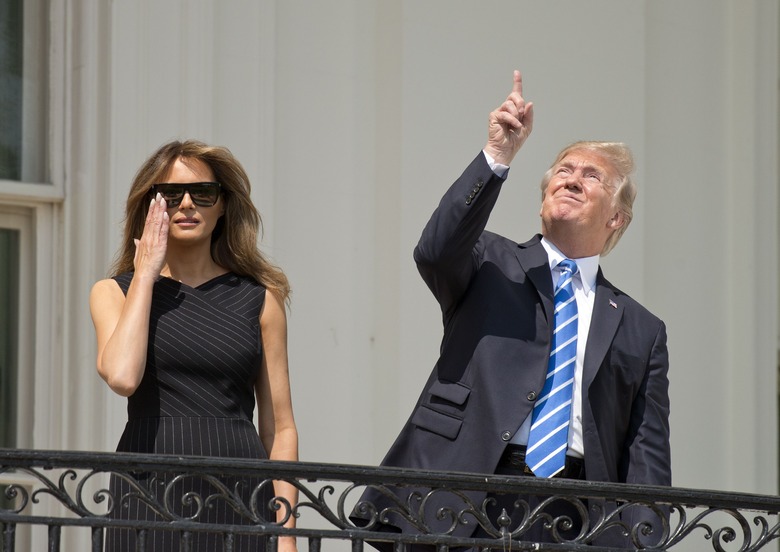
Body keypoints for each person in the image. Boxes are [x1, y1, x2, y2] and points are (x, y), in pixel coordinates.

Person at [354, 71, 671, 548]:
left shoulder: (641, 329)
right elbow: (435, 250)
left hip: (578, 515)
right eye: (563, 170)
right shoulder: (489, 261)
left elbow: (646, 454)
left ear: (616, 218)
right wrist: (497, 156)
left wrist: (640, 540)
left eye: (591, 175)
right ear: (543, 196)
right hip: (463, 494)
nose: (571, 178)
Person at [90, 140, 299, 552]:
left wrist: (286, 533)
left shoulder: (261, 299)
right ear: (152, 206)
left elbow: (280, 427)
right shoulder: (113, 292)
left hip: (241, 493)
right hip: (149, 490)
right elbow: (122, 376)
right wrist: (147, 273)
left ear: (222, 206)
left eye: (202, 193)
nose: (187, 204)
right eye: (170, 195)